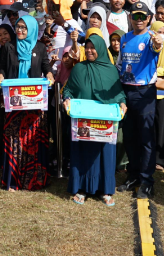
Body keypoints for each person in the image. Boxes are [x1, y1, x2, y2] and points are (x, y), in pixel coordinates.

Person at [62, 36, 126, 206]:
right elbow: (68, 89)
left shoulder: (111, 70)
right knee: (83, 152)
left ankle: (105, 190)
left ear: (101, 49)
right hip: (84, 121)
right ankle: (81, 188)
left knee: (105, 153)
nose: (89, 50)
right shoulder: (79, 69)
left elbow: (119, 93)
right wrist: (67, 98)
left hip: (104, 122)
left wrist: (122, 103)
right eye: (87, 47)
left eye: (93, 47)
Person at [0, 14, 53, 191]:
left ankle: (34, 179)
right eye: (18, 27)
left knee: (33, 140)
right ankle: (13, 179)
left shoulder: (40, 47)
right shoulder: (9, 47)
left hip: (34, 101)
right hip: (14, 100)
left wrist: (50, 75)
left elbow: (46, 66)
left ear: (32, 29)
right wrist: (0, 76)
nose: (19, 30)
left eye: (24, 28)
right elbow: (3, 67)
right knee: (14, 139)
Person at [114, 3, 164, 199]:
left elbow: (157, 45)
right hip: (127, 91)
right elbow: (120, 64)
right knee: (129, 137)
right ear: (130, 18)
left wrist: (159, 42)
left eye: (143, 16)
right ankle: (133, 175)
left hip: (145, 92)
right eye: (136, 16)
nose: (139, 20)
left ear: (149, 18)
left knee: (146, 138)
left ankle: (147, 181)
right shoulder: (125, 38)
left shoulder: (151, 37)